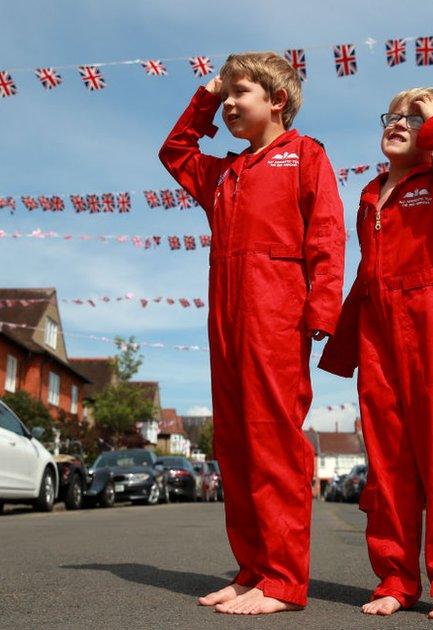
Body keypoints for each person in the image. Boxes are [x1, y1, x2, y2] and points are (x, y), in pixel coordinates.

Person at [158, 51, 345, 615]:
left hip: (276, 316)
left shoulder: (306, 156)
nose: (231, 103)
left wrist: (321, 313)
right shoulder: (225, 173)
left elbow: (328, 235)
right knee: (235, 447)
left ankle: (285, 581)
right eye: (227, 95)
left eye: (241, 92)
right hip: (226, 318)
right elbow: (175, 152)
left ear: (277, 100)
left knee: (273, 444)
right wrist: (206, 97)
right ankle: (253, 570)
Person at [318, 87, 433, 621]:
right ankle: (395, 578)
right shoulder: (370, 195)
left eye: (412, 118)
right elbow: (367, 277)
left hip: (431, 325)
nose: (399, 122)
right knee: (387, 463)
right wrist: (340, 336)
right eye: (393, 115)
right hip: (377, 334)